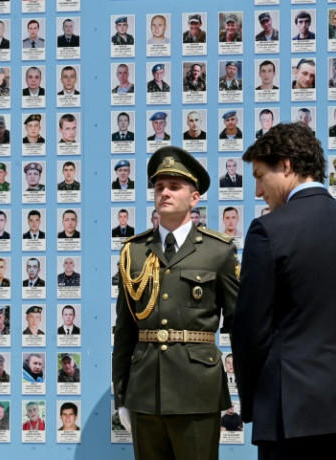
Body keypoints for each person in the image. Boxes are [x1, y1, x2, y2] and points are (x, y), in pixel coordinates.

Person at [233, 122, 336, 459]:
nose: (258, 191)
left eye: (260, 176)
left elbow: (251, 332)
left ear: (286, 165)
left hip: (292, 415)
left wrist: (255, 403)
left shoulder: (268, 231)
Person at [112, 146, 239, 460]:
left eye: (174, 186)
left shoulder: (217, 251)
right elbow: (125, 329)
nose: (164, 192)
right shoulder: (135, 251)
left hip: (197, 390)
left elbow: (240, 324)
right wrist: (122, 394)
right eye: (159, 187)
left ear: (194, 198)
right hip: (145, 392)